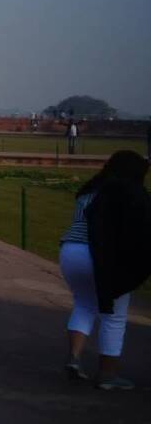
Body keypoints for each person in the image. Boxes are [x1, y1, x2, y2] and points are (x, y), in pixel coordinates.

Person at [59, 151, 150, 390]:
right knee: (114, 316)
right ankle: (107, 374)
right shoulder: (128, 193)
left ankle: (75, 358)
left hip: (71, 251)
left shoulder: (90, 190)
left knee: (84, 304)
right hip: (100, 255)